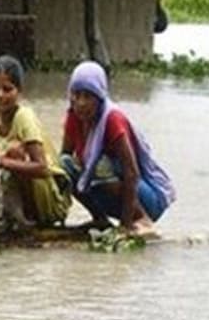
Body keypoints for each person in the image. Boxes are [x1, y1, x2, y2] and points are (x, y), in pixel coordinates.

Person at [60, 61, 175, 235]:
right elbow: (64, 157)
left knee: (101, 165)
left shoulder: (112, 120)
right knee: (64, 164)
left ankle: (141, 219)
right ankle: (100, 219)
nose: (81, 103)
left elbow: (132, 172)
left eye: (88, 96)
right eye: (77, 95)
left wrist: (125, 225)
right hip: (107, 193)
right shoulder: (73, 116)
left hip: (143, 198)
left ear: (99, 98)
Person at [0, 55, 71, 228]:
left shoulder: (24, 117)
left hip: (48, 197)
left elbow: (42, 167)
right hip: (11, 195)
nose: (0, 95)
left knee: (14, 152)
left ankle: (27, 219)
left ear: (18, 91)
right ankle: (9, 214)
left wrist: (1, 161)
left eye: (7, 89)